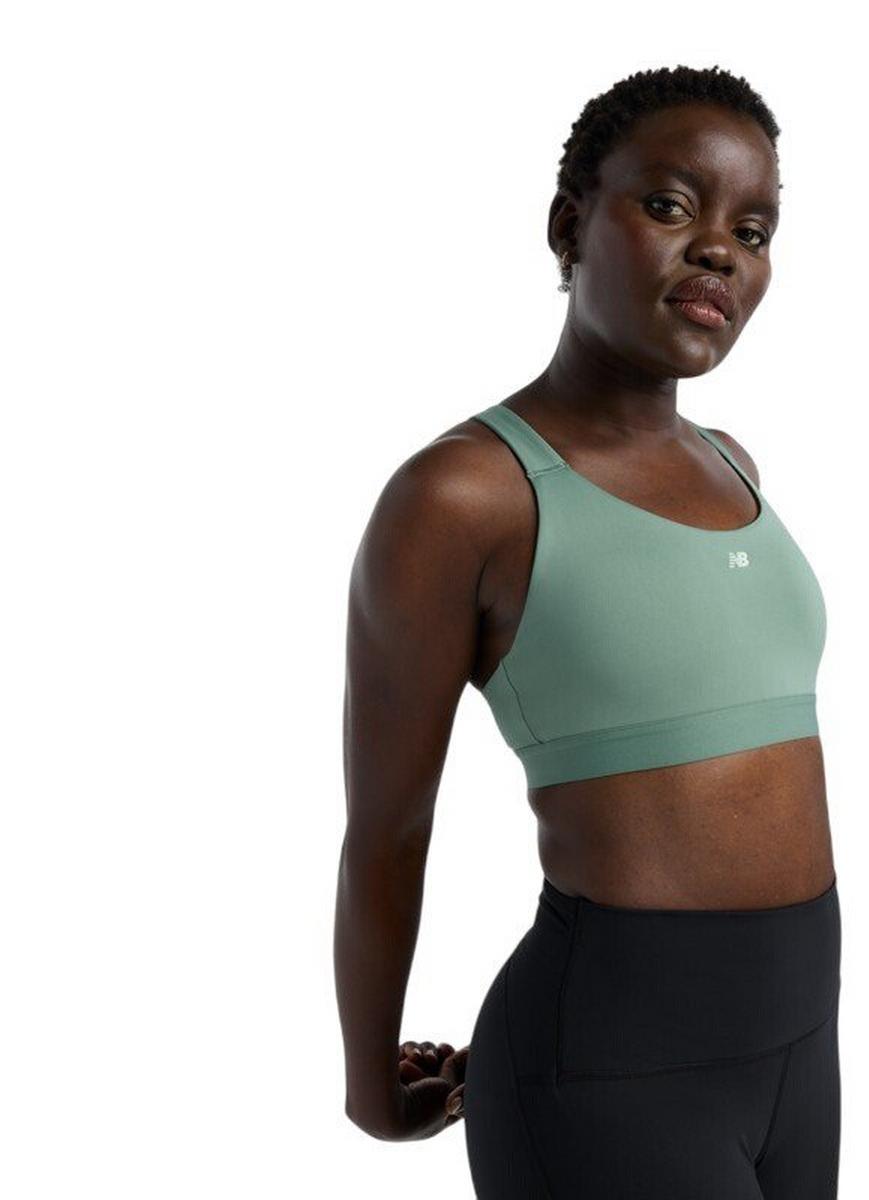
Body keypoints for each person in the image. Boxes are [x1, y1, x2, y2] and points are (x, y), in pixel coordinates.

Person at [335, 64, 841, 1198]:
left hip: (803, 1050)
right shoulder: (464, 495)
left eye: (752, 230)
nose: (719, 251)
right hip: (608, 1072)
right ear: (570, 225)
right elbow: (387, 824)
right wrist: (370, 1082)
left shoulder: (734, 465)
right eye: (670, 205)